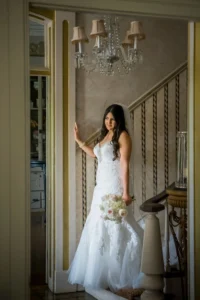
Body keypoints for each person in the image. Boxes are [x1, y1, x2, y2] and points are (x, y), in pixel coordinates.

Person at [67, 104, 143, 292]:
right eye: (107, 118)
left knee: (116, 227)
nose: (109, 122)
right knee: (98, 227)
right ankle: (103, 277)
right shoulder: (105, 136)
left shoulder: (123, 136)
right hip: (100, 188)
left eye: (113, 119)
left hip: (114, 187)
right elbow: (96, 154)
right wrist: (79, 141)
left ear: (119, 120)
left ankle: (120, 276)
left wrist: (125, 192)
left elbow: (124, 164)